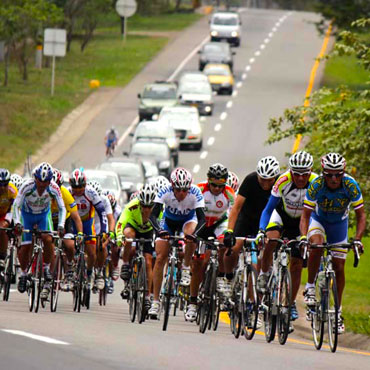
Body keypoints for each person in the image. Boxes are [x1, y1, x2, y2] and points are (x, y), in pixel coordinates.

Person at [300, 153, 366, 334]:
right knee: (317, 245)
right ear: (323, 173)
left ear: (344, 172)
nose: (334, 179)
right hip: (319, 220)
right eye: (329, 175)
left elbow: (361, 215)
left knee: (339, 266)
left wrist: (358, 239)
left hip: (339, 225)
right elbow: (305, 216)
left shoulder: (351, 185)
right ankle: (311, 287)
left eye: (338, 174)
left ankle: (337, 311)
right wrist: (304, 238)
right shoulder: (316, 185)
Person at [257, 151, 317, 327]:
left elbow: (318, 212)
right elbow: (268, 210)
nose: (300, 178)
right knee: (271, 240)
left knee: (297, 264)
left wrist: (307, 235)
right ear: (290, 171)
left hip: (302, 222)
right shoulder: (282, 180)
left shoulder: (316, 182)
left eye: (304, 173)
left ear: (310, 171)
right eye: (296, 173)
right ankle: (264, 273)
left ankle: (290, 303)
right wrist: (261, 230)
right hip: (282, 217)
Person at [148, 167, 206, 320]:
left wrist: (194, 236)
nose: (182, 193)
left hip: (188, 221)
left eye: (185, 189)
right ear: (172, 186)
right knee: (160, 257)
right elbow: (152, 216)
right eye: (178, 189)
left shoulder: (195, 193)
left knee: (191, 234)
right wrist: (159, 231)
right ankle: (155, 301)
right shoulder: (164, 191)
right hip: (168, 222)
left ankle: (186, 266)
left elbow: (202, 219)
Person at [223, 156, 280, 295]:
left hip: (266, 222)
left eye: (269, 180)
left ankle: (254, 300)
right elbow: (236, 208)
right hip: (246, 219)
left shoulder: (279, 183)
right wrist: (230, 230)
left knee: (261, 259)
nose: (266, 183)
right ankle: (228, 277)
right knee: (234, 247)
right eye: (262, 179)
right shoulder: (250, 180)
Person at [13, 163, 66, 299]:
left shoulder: (54, 188)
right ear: (35, 178)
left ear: (50, 180)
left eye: (46, 182)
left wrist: (61, 224)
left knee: (48, 239)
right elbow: (16, 205)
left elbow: (62, 208)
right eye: (39, 181)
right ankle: (24, 274)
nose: (42, 184)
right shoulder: (27, 186)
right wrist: (18, 222)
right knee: (25, 247)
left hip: (43, 216)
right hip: (27, 215)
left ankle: (46, 267)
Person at [195, 163, 235, 310]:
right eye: (214, 185)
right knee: (201, 261)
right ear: (208, 181)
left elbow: (232, 213)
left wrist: (230, 232)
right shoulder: (199, 189)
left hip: (219, 224)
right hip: (202, 224)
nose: (217, 189)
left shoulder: (229, 193)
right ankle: (198, 287)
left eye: (221, 186)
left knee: (224, 243)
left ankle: (221, 276)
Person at [116, 184, 156, 308]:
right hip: (133, 227)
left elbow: (164, 225)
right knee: (128, 237)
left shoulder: (159, 208)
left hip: (149, 231)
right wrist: (119, 237)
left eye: (149, 207)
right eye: (144, 206)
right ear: (140, 203)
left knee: (149, 262)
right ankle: (126, 263)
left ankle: (148, 295)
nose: (146, 210)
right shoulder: (131, 206)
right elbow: (121, 223)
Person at [69, 169, 108, 290]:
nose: (77, 189)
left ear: (85, 185)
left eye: (80, 186)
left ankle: (90, 273)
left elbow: (102, 213)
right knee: (68, 246)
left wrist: (103, 231)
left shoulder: (91, 193)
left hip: (87, 223)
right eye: (75, 187)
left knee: (92, 253)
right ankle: (69, 271)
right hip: (72, 222)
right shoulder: (68, 193)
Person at [51, 168, 83, 291]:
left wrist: (79, 233)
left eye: (57, 186)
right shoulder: (43, 193)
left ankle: (70, 267)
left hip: (65, 221)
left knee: (69, 245)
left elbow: (76, 217)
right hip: (49, 221)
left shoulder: (65, 194)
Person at [0, 169, 18, 278]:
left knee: (2, 229)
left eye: (5, 184)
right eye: (0, 185)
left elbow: (15, 208)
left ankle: (2, 257)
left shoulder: (12, 190)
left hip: (6, 214)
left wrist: (7, 221)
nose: (2, 187)